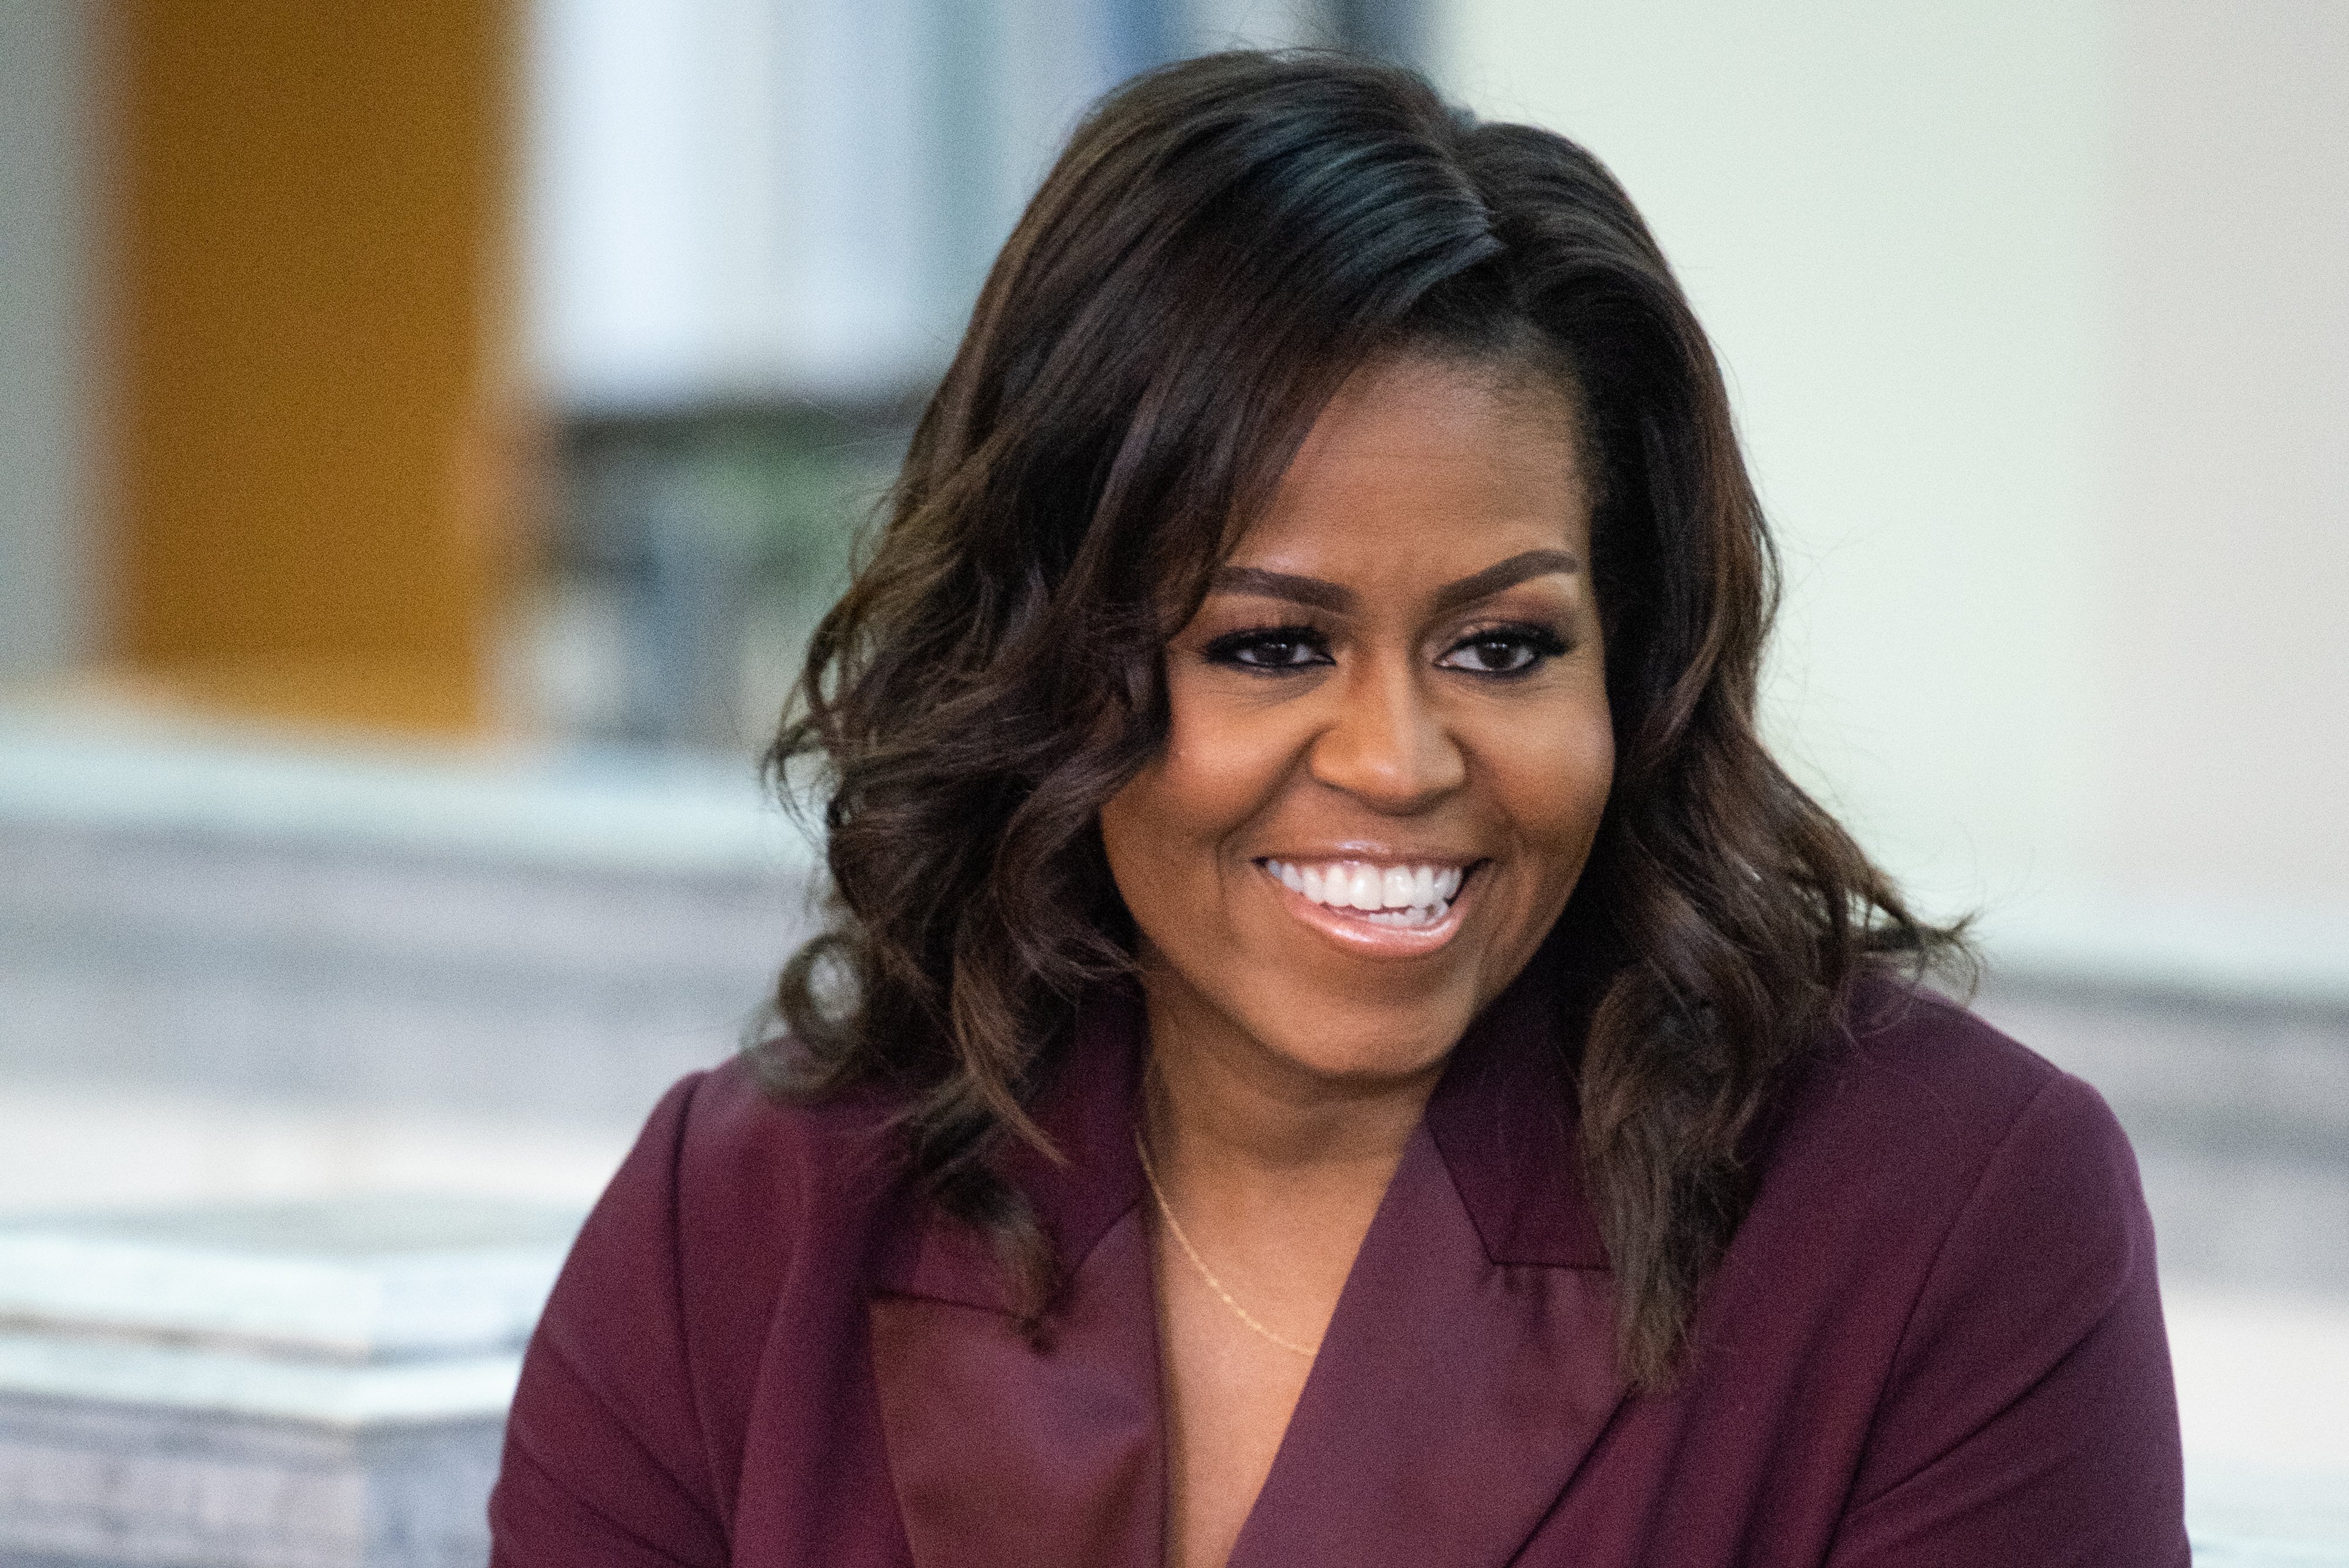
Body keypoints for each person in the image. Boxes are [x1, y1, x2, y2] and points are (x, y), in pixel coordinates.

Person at [489, 51, 2188, 1567]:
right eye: (1273, 643)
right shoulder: (741, 1229)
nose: (1398, 759)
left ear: (1635, 664)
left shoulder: (1942, 1216)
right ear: (1048, 662)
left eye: (1505, 645)